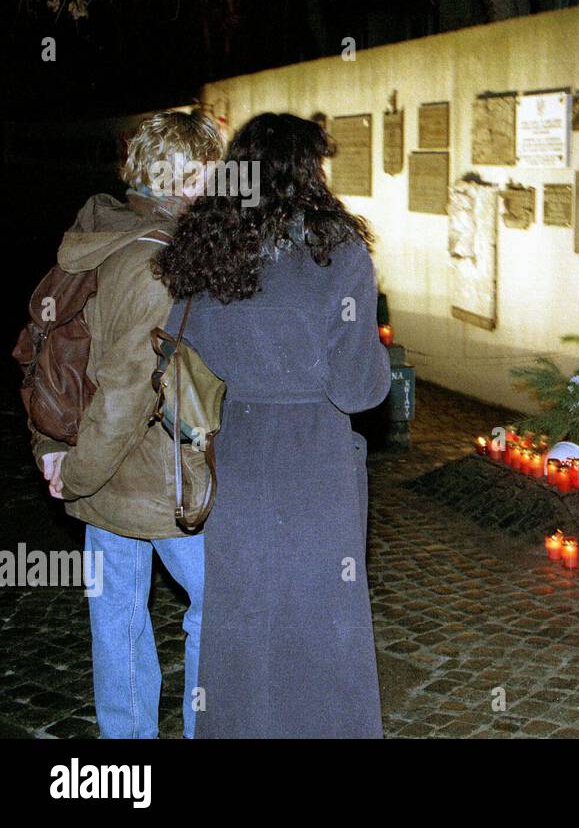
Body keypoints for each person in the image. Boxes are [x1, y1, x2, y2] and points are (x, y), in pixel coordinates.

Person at [152, 112, 390, 738]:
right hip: (315, 468)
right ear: (308, 172)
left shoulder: (208, 254)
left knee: (242, 631)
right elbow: (358, 386)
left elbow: (185, 352)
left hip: (239, 461)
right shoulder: (338, 253)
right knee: (325, 630)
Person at [33, 111, 224, 738]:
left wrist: (53, 451)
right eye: (213, 174)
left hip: (98, 468)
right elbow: (124, 388)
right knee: (220, 608)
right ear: (187, 177)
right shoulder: (159, 261)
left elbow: (52, 348)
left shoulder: (101, 233)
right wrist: (79, 474)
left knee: (115, 618)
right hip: (150, 476)